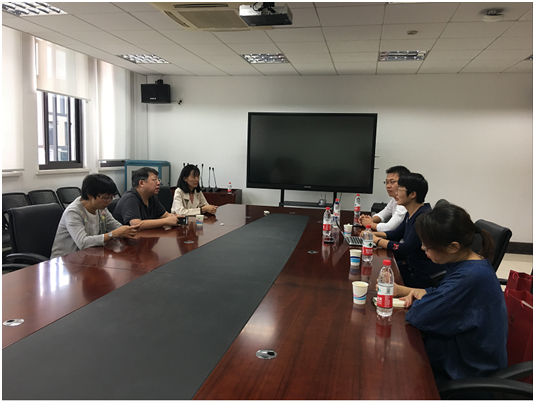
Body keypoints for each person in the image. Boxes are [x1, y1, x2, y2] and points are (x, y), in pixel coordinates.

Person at [396, 202, 508, 383]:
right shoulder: (470, 263)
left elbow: (419, 315)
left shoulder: (469, 277)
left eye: (428, 247)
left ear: (453, 247)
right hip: (459, 354)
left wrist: (424, 301)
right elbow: (445, 294)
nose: (424, 250)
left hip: (466, 374)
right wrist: (425, 294)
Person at [372, 172, 443, 288]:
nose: (396, 193)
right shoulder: (411, 212)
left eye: (399, 190)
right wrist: (372, 234)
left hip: (421, 274)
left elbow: (406, 248)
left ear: (412, 194)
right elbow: (396, 234)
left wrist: (377, 240)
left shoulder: (422, 217)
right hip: (410, 266)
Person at [51, 174, 139, 258]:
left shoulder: (101, 208)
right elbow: (83, 243)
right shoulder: (73, 212)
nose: (109, 201)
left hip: (90, 255)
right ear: (89, 195)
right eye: (105, 197)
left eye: (111, 197)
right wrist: (113, 234)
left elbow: (114, 226)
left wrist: (127, 231)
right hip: (66, 260)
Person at [113, 167, 182, 230]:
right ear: (141, 183)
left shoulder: (151, 197)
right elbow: (136, 224)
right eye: (154, 180)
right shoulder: (130, 198)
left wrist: (175, 217)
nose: (158, 183)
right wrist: (166, 221)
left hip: (146, 236)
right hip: (125, 238)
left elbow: (165, 215)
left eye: (159, 180)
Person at [359, 165, 410, 231]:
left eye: (392, 182)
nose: (388, 186)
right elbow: (382, 215)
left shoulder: (405, 203)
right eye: (387, 182)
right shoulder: (394, 200)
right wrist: (369, 219)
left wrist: (369, 224)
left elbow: (388, 228)